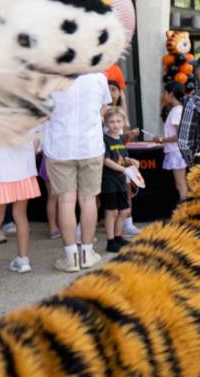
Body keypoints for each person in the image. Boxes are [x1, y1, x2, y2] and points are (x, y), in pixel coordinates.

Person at [44, 70, 111, 271]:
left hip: (60, 146)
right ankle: (87, 252)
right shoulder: (99, 77)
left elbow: (42, 111)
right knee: (89, 199)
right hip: (90, 145)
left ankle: (71, 257)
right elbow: (104, 109)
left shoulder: (51, 77)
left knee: (65, 200)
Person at [0, 135, 39, 279]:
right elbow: (36, 144)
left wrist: (0, 159)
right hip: (24, 173)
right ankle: (23, 261)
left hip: (1, 174)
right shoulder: (28, 114)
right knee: (21, 216)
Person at [102, 91, 136, 256]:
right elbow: (106, 160)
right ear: (106, 122)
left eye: (118, 121)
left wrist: (131, 161)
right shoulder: (105, 139)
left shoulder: (120, 139)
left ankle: (118, 236)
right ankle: (110, 241)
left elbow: (123, 157)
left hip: (121, 180)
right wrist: (123, 168)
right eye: (112, 121)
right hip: (109, 180)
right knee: (111, 212)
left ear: (123, 122)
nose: (115, 124)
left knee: (123, 211)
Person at [160, 84, 189, 198]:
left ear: (171, 94)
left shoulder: (177, 111)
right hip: (176, 151)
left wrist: (161, 139)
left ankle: (186, 211)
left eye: (165, 93)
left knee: (181, 185)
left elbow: (179, 136)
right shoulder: (178, 110)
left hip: (176, 151)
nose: (163, 95)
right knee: (181, 185)